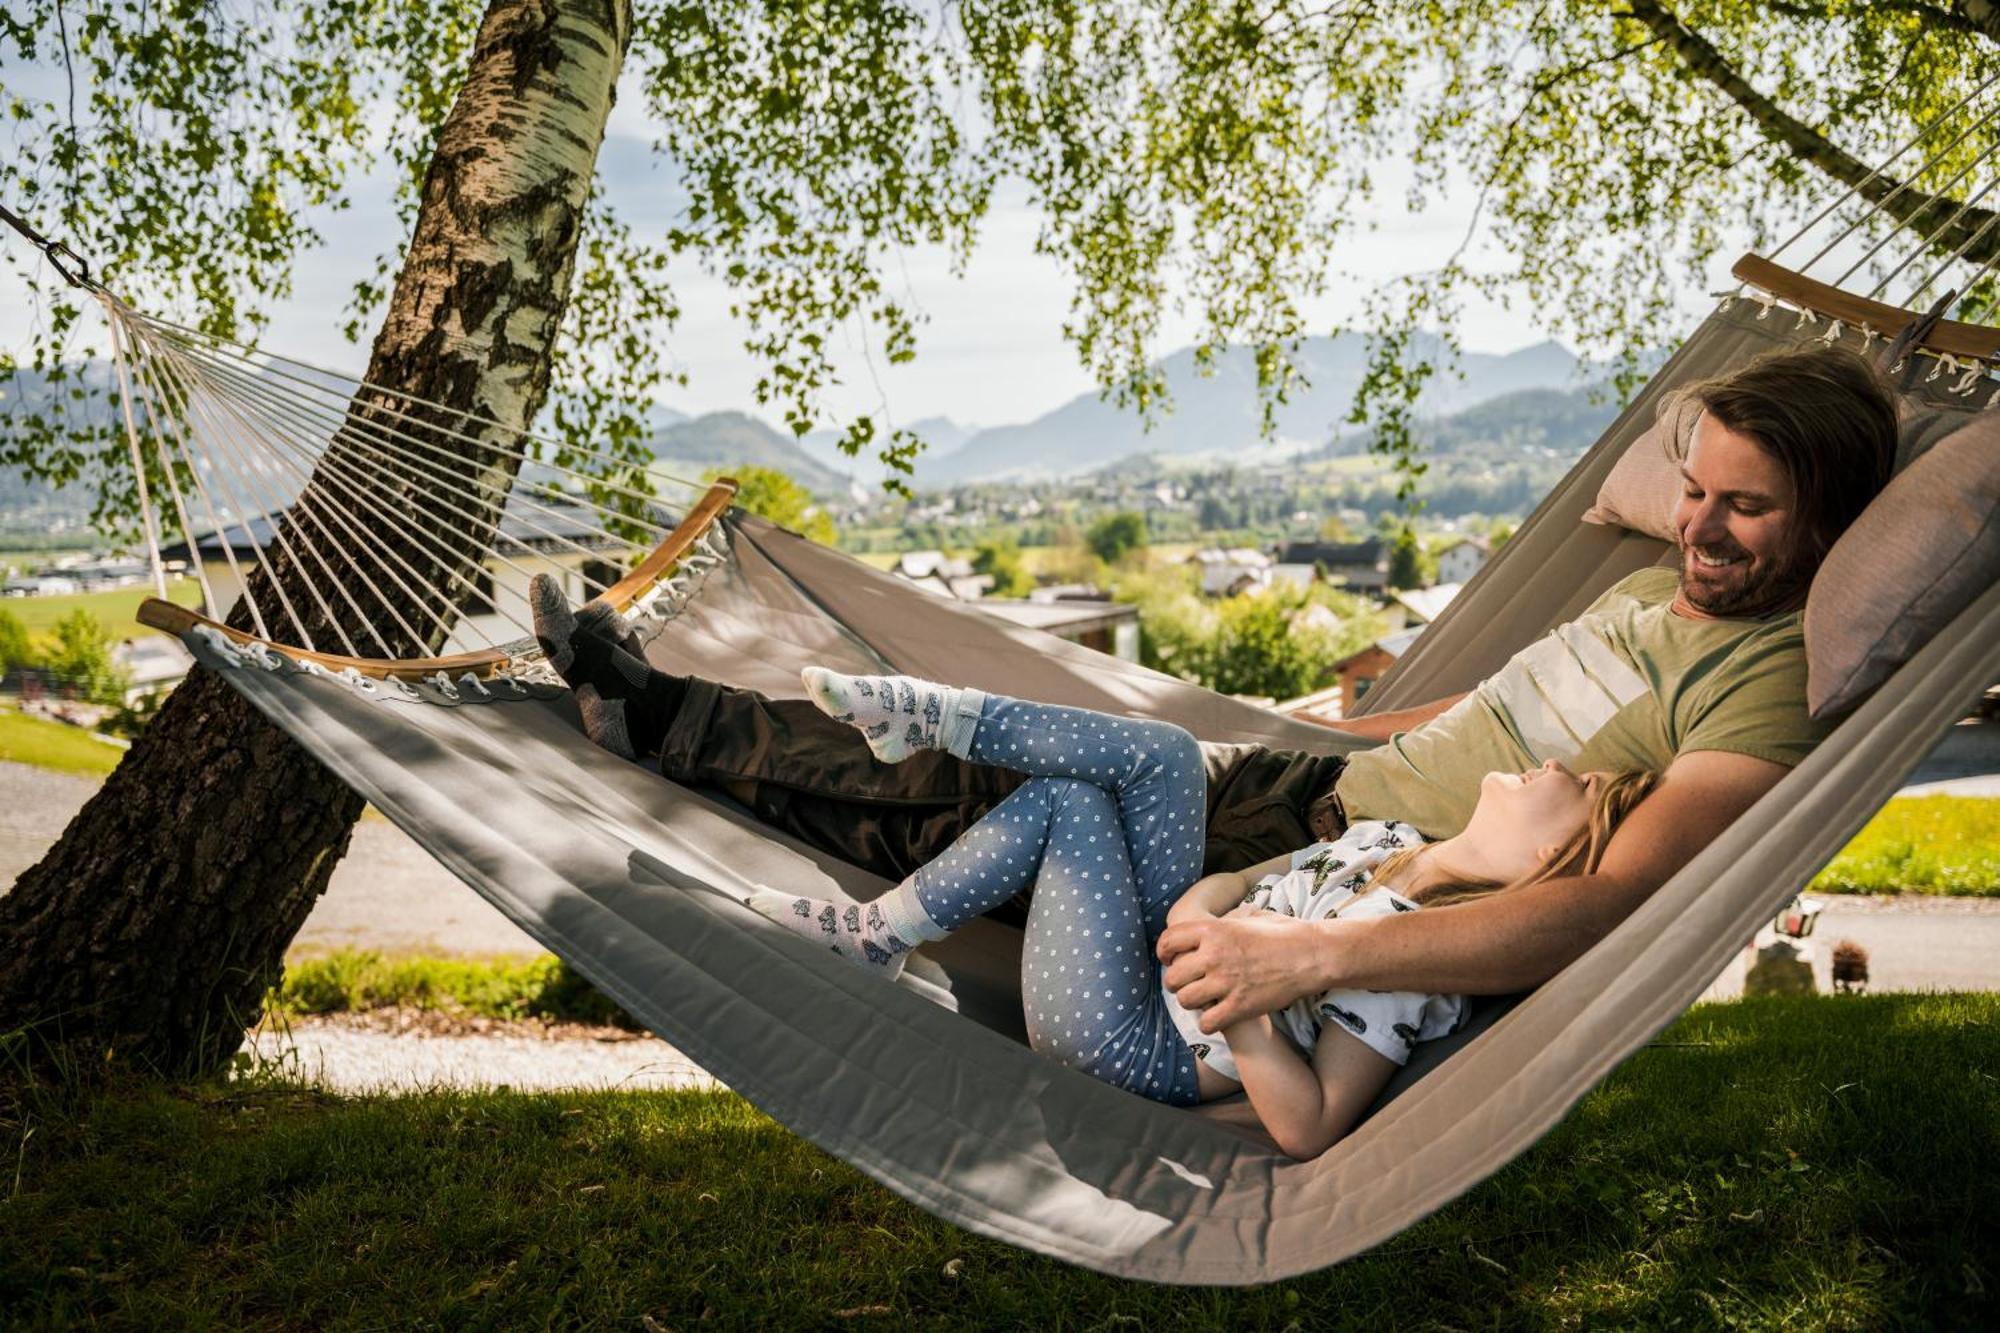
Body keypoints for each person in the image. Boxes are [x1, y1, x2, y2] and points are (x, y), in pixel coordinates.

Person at [528, 342, 1900, 1032]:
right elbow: (1495, 712)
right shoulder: (1648, 586)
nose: (1702, 530)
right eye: (1697, 492)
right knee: (1012, 778)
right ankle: (677, 713)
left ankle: (657, 718)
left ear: (1828, 518)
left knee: (971, 799)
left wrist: (1318, 953)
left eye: (1748, 511)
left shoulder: (1764, 688)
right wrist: (1316, 727)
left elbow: (1595, 909)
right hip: (1302, 783)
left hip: (1331, 869)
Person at [744, 666, 1656, 1158]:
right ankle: (937, 719)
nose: (1551, 764)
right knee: (1171, 756)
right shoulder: (1388, 838)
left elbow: (1308, 1124)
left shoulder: (1419, 966)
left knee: (1067, 805)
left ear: (1551, 857)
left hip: (1139, 1045)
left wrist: (1246, 1000)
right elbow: (1242, 881)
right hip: (1164, 954)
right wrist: (1205, 919)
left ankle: (877, 934)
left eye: (1573, 784)